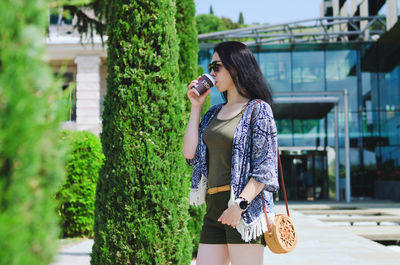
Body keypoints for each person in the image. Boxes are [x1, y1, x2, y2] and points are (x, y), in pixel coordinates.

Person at [183, 41, 279, 265]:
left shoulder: (258, 109)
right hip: (213, 206)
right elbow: (190, 154)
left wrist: (240, 205)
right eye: (211, 66)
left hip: (243, 208)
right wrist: (196, 106)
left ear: (235, 67)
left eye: (216, 66)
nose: (211, 73)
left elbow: (265, 168)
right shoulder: (213, 112)